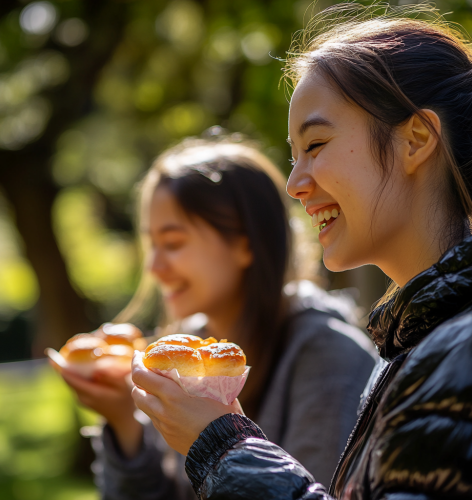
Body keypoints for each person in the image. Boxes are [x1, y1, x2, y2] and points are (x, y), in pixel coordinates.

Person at [130, 4, 472, 500]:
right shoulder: (408, 346)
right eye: (293, 156)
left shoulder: (458, 348)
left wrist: (224, 448)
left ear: (416, 139)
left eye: (316, 145)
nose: (294, 185)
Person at [59, 134, 376, 499]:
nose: (155, 268)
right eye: (152, 245)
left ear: (245, 242)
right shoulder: (186, 352)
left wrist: (218, 440)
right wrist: (122, 421)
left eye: (173, 243)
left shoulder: (329, 357)